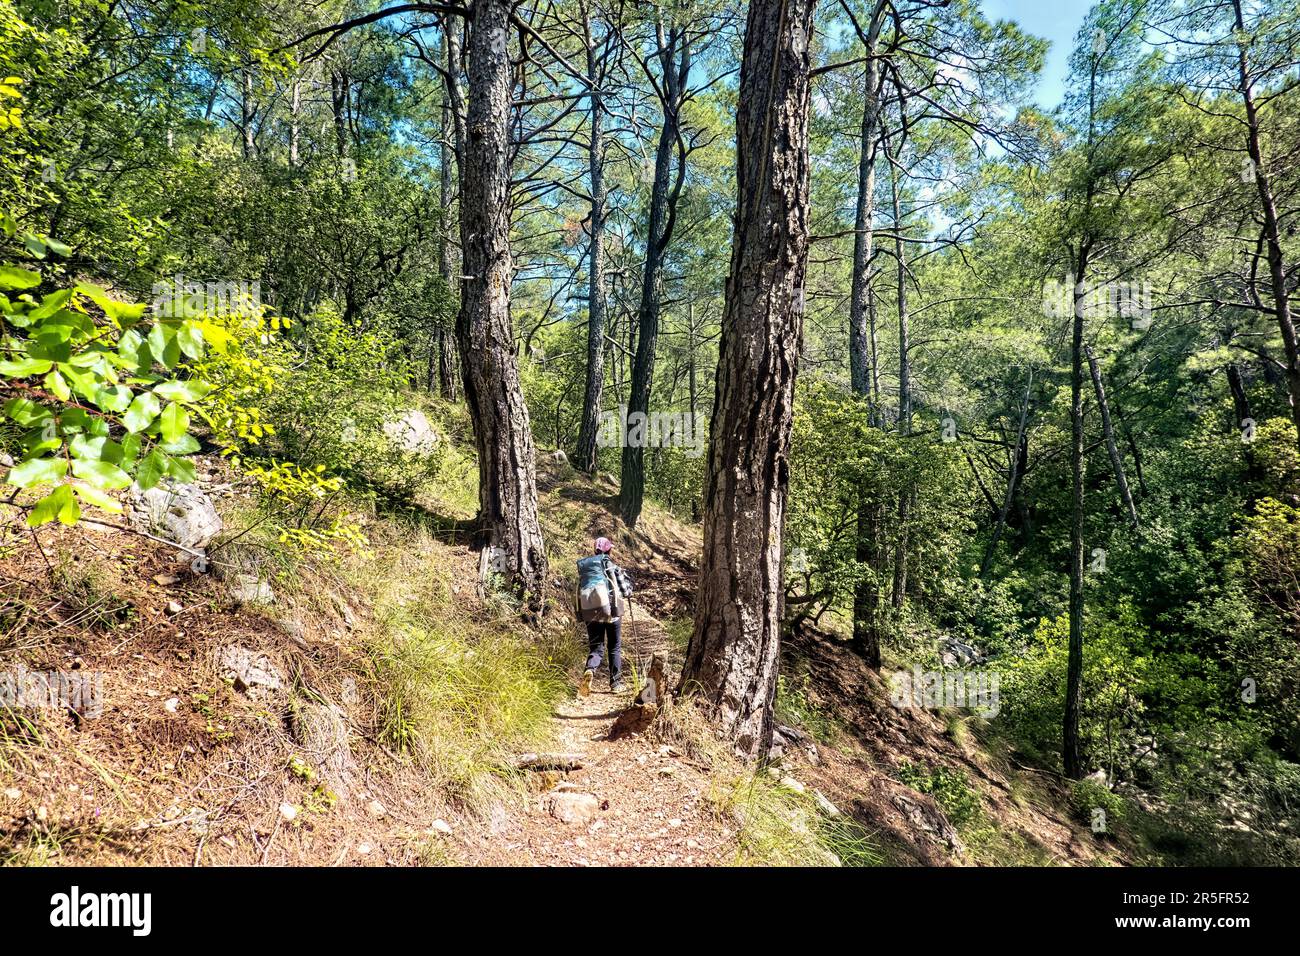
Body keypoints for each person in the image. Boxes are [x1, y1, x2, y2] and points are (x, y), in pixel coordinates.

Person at [578, 536, 633, 695]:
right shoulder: (612, 567)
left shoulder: (587, 568)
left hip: (590, 612)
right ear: (609, 550)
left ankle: (589, 671)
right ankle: (615, 683)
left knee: (596, 647)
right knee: (614, 647)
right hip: (612, 614)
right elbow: (626, 591)